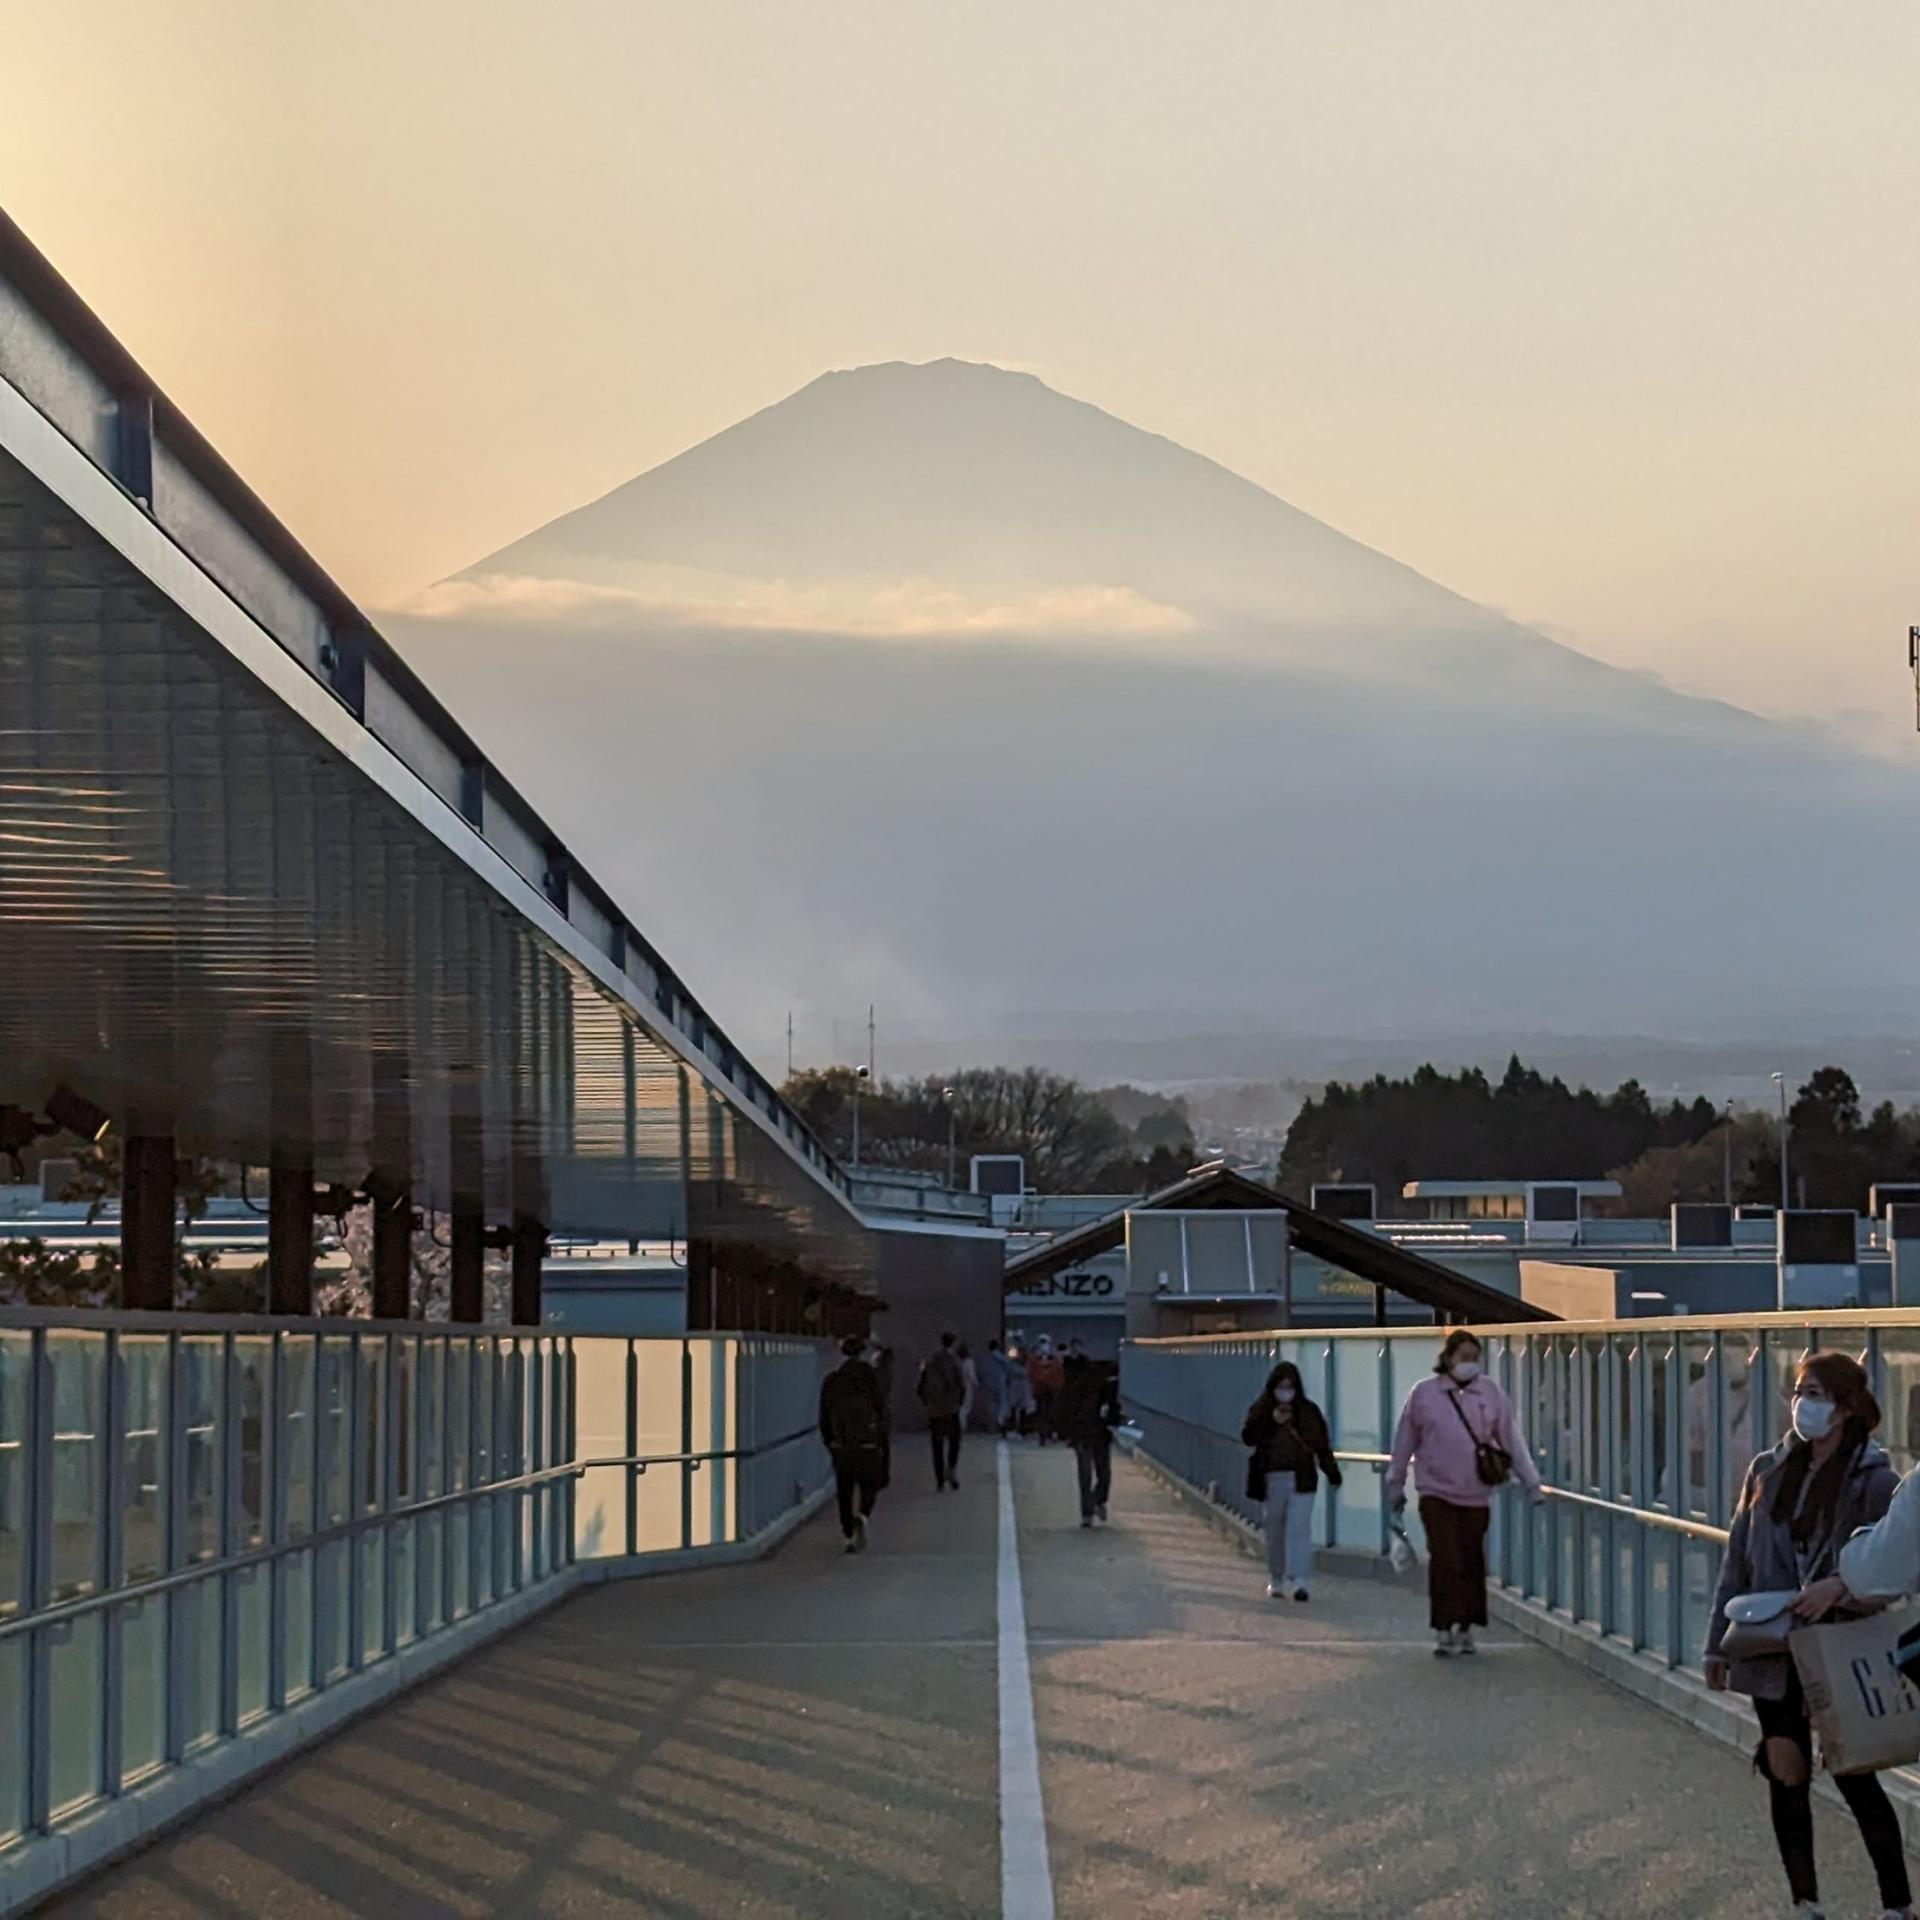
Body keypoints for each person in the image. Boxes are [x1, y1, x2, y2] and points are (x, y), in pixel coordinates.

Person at [1705, 1352, 1912, 1920]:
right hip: (1772, 1648)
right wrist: (1717, 1643)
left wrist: (1837, 1590)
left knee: (1855, 1774)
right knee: (1785, 1770)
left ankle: (1897, 1904)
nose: (1803, 1404)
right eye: (1800, 1391)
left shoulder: (1875, 1480)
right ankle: (1805, 1901)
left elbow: (1892, 1569)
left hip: (1838, 1650)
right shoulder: (1769, 1469)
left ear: (1845, 1407)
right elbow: (1739, 1559)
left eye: (1816, 1393)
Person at [1386, 1329, 1542, 1657]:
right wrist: (1395, 1482)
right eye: (1463, 1358)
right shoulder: (1424, 1394)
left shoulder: (1490, 1394)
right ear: (1448, 1358)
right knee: (1445, 1558)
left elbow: (1511, 1440)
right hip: (1435, 1491)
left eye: (1475, 1358)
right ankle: (1443, 1626)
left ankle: (1466, 1626)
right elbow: (1404, 1443)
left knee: (1471, 1559)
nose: (1469, 1364)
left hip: (1475, 1493)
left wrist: (1532, 1482)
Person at [1241, 1360, 1341, 1601]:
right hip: (1271, 1477)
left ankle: (1299, 1580)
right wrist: (1271, 1422)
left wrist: (1332, 1472)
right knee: (1274, 1530)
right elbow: (1248, 1437)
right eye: (1281, 1386)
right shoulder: (1262, 1409)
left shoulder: (1308, 1412)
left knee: (1299, 1530)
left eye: (1290, 1386)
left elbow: (1321, 1445)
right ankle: (1276, 1577)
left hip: (1302, 1478)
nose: (1285, 1391)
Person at [818, 1335, 888, 1554]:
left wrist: (830, 1442)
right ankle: (863, 1515)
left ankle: (848, 1535)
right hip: (868, 1443)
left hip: (842, 1444)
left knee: (844, 1490)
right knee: (870, 1485)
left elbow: (824, 1415)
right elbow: (882, 1412)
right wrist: (882, 1442)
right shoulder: (872, 1379)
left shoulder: (832, 1381)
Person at [1057, 1340, 1122, 1527]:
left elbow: (1064, 1409)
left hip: (1084, 1432)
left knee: (1086, 1474)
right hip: (1097, 1431)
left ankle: (1090, 1509)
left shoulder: (1073, 1385)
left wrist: (1065, 1431)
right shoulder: (1104, 1381)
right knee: (1102, 1472)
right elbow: (1113, 1409)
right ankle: (1095, 1503)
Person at [918, 1332, 968, 1490]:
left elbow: (921, 1385)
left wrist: (928, 1402)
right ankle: (951, 1469)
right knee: (954, 1441)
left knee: (937, 1445)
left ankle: (939, 1479)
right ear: (952, 1343)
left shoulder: (931, 1360)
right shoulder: (954, 1361)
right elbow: (961, 1384)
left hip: (935, 1409)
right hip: (950, 1408)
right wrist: (959, 1402)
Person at [1027, 1336, 1065, 1445]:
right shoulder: (1034, 1359)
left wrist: (1058, 1387)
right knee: (1041, 1413)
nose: (1044, 1345)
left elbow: (1059, 1374)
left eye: (1045, 1342)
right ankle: (1042, 1435)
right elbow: (1031, 1374)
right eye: (1042, 1342)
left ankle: (1052, 1433)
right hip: (1040, 1390)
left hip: (1052, 1390)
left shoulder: (1055, 1359)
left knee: (1051, 1412)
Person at [979, 1339, 1011, 1435]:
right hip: (1000, 1383)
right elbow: (1007, 1366)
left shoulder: (986, 1358)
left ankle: (992, 1426)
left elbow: (982, 1373)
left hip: (989, 1384)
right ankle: (1000, 1425)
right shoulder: (1000, 1357)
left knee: (991, 1406)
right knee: (1002, 1405)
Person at [1003, 1342, 1036, 1438]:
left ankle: (1023, 1430)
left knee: (1024, 1409)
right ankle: (1011, 1428)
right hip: (1014, 1386)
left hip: (1024, 1386)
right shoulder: (1012, 1362)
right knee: (1012, 1408)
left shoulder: (1028, 1363)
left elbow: (1030, 1374)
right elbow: (1008, 1374)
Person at [958, 1341, 980, 1430]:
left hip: (962, 1386)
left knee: (963, 1407)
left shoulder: (961, 1362)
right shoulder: (969, 1362)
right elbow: (972, 1375)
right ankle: (962, 1426)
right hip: (968, 1387)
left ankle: (961, 1425)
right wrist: (977, 1384)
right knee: (965, 1408)